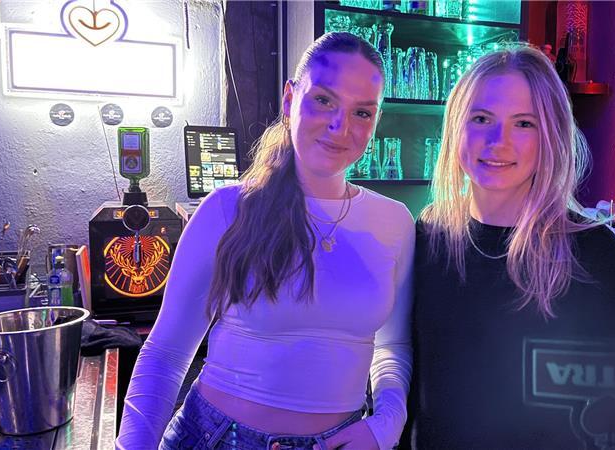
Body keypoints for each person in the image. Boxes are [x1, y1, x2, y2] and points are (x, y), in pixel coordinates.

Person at [116, 32, 414, 450]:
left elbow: (393, 347)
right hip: (216, 439)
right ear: (290, 99)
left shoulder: (394, 222)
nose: (339, 126)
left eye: (362, 113)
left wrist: (385, 425)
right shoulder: (227, 210)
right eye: (324, 100)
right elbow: (165, 353)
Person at [407, 44, 615, 449]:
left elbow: (613, 416)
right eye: (481, 118)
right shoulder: (426, 237)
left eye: (524, 124)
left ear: (550, 135)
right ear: (455, 128)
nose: (499, 141)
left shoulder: (593, 251)